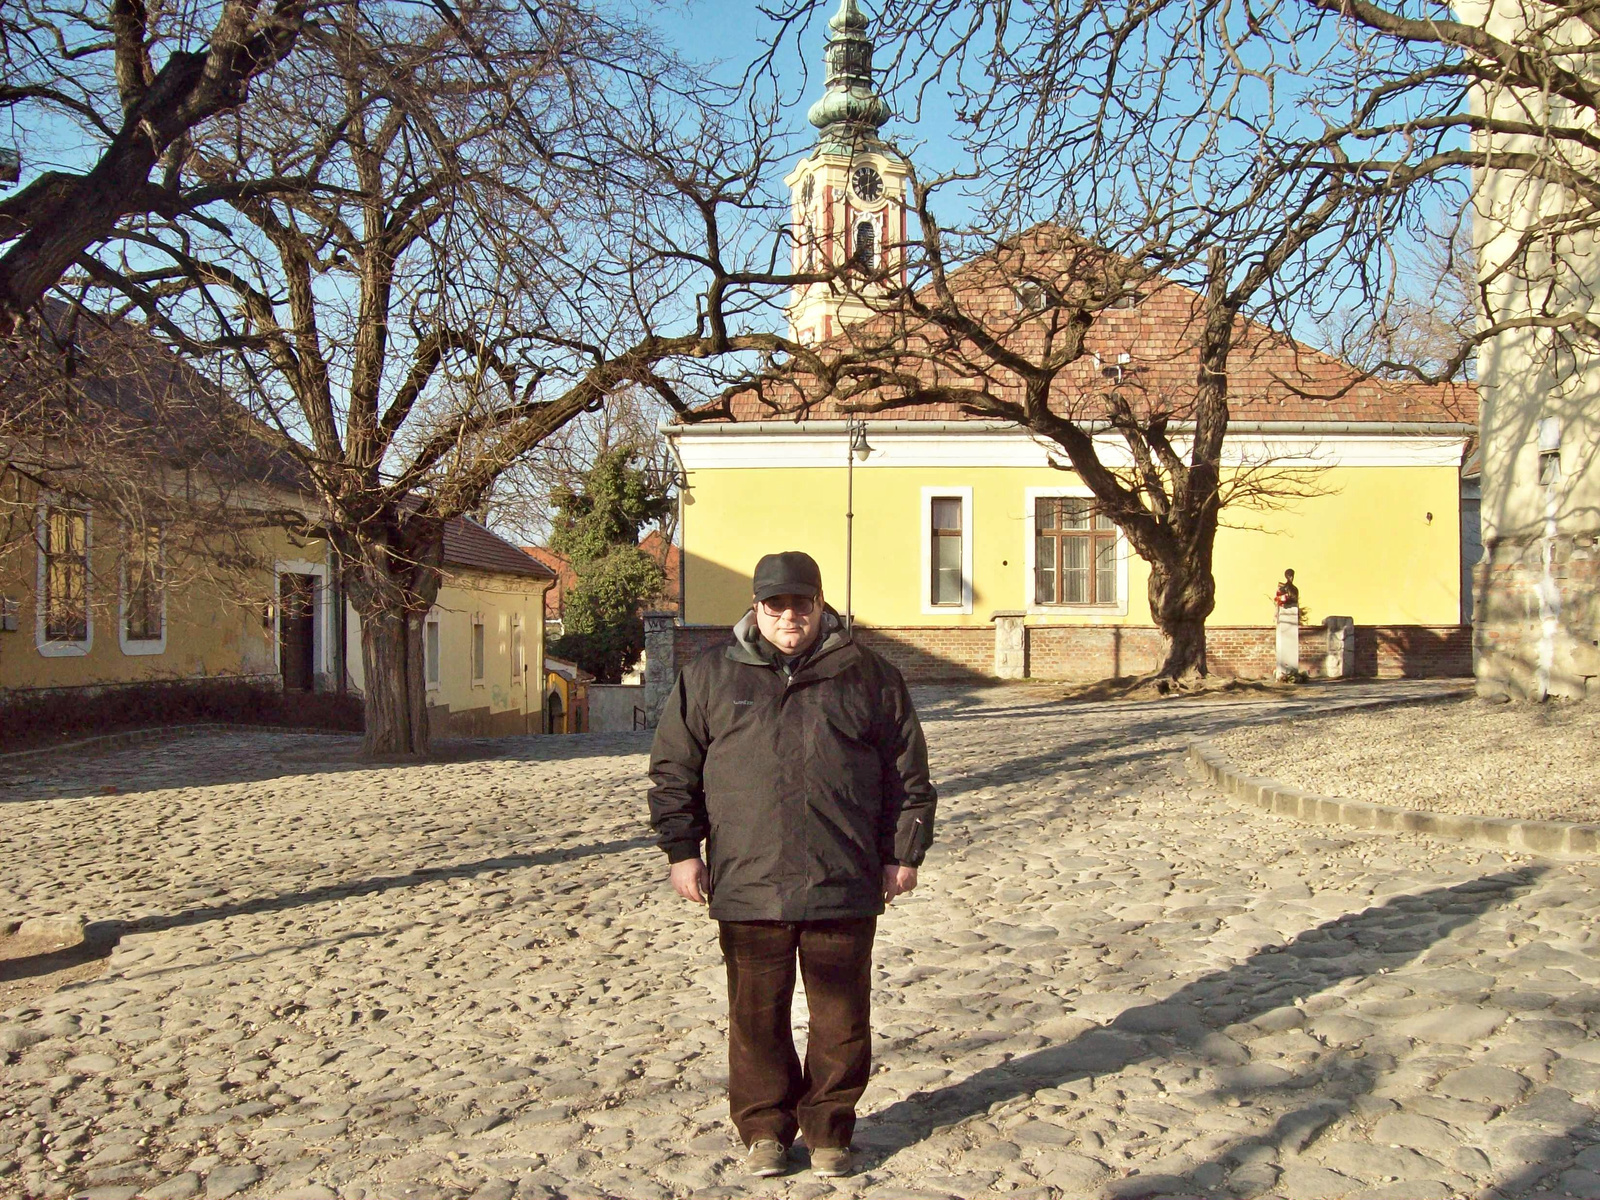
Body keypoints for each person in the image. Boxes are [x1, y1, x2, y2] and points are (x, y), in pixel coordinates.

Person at [647, 550, 937, 1180]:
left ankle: (830, 1128)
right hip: (748, 882)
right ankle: (765, 1131)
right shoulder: (709, 678)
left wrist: (902, 855)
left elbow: (908, 776)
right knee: (756, 1018)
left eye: (799, 604)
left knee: (841, 1018)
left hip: (844, 879)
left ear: (819, 604)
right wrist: (681, 852)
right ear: (756, 607)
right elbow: (674, 774)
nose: (787, 616)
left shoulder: (871, 676)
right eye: (775, 604)